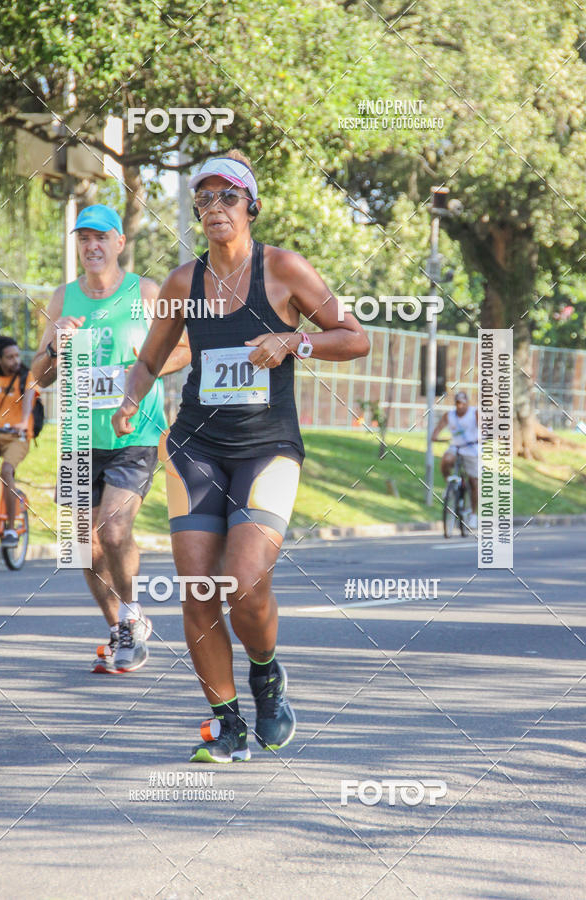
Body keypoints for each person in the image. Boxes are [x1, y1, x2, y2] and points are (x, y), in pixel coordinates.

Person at [112, 151, 370, 762]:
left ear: (250, 205)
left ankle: (266, 675)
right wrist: (129, 399)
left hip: (267, 447)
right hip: (195, 447)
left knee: (246, 582)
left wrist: (292, 340)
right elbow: (150, 359)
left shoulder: (282, 270)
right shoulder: (184, 283)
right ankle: (226, 721)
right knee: (199, 588)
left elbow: (355, 337)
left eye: (227, 197)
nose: (214, 208)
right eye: (204, 198)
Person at [32, 204, 190, 674]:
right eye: (83, 239)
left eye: (101, 238)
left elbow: (184, 348)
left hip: (133, 430)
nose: (92, 247)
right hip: (80, 435)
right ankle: (124, 622)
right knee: (82, 544)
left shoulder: (143, 292)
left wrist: (138, 372)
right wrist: (55, 345)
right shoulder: (62, 298)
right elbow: (41, 377)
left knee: (114, 530)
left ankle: (128, 616)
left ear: (120, 243)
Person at [0, 336, 38, 546]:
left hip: (18, 436)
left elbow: (27, 402)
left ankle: (9, 530)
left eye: (17, 355)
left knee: (7, 471)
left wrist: (24, 422)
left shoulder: (26, 376)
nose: (15, 360)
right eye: (10, 357)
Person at [432, 390, 479, 528]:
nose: (460, 406)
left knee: (473, 481)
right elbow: (437, 430)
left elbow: (484, 427)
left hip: (472, 448)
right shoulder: (450, 416)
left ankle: (473, 515)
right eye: (458, 403)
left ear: (467, 403)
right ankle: (450, 485)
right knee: (446, 461)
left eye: (463, 403)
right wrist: (435, 437)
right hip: (456, 447)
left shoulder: (474, 413)